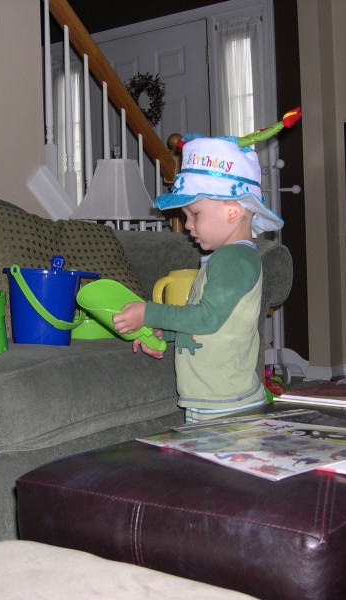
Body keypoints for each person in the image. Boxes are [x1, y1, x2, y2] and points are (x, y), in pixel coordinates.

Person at [112, 133, 285, 423]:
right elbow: (208, 326)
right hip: (214, 400)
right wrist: (163, 332)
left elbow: (206, 318)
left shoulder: (235, 259)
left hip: (228, 404)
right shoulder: (226, 258)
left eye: (194, 214)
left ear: (232, 210)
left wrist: (150, 313)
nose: (187, 225)